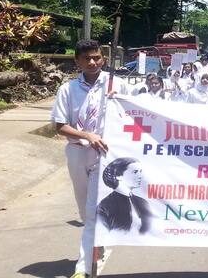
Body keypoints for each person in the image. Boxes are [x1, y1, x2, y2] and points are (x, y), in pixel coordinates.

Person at [50, 39, 131, 278]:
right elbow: (60, 126)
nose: (93, 62)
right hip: (77, 152)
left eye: (96, 57)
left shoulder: (118, 84)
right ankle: (97, 241)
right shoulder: (68, 89)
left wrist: (122, 101)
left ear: (103, 58)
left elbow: (140, 111)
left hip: (105, 156)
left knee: (94, 210)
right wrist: (86, 135)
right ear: (78, 61)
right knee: (85, 211)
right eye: (87, 59)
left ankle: (83, 268)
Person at [97, 157, 151, 234]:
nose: (140, 176)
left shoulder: (143, 202)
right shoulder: (105, 206)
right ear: (119, 176)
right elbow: (102, 233)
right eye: (135, 172)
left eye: (140, 172)